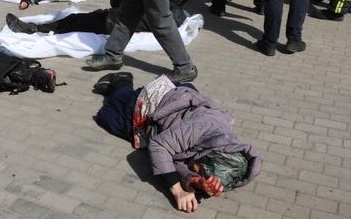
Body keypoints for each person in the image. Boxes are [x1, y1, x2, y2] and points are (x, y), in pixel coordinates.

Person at [93, 73, 260, 213]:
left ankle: (169, 84)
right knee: (108, 116)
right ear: (205, 158)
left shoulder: (222, 148)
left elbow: (179, 161)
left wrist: (194, 180)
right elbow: (159, 147)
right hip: (159, 100)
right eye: (201, 172)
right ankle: (121, 81)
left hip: (182, 100)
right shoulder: (201, 128)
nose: (198, 173)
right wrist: (178, 191)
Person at [6, 0, 189, 35]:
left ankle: (33, 29)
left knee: (73, 22)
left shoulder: (174, 11)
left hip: (113, 23)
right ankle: (37, 27)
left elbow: (165, 23)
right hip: (112, 17)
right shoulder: (164, 4)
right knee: (75, 19)